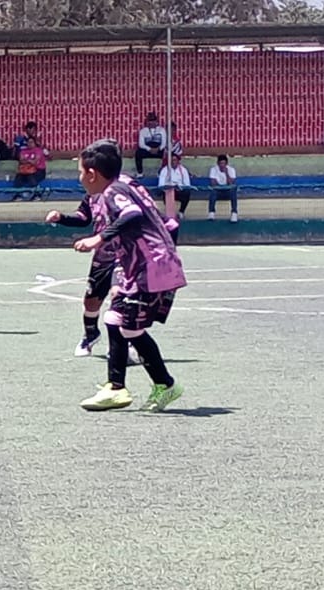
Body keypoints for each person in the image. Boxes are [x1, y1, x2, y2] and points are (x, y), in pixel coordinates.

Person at [72, 139, 186, 412]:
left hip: (151, 269)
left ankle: (166, 385)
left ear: (92, 174)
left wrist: (98, 238)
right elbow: (167, 223)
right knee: (113, 319)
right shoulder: (126, 183)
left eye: (80, 172)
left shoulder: (112, 191)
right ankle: (116, 388)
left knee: (130, 328)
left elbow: (132, 214)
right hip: (141, 267)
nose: (80, 178)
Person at [48, 171, 176, 359]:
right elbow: (83, 217)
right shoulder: (93, 191)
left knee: (118, 294)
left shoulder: (124, 188)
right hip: (103, 253)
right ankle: (91, 334)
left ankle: (123, 346)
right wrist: (62, 218)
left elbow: (142, 215)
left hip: (125, 253)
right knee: (91, 301)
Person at [208, 154, 239, 222]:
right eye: (220, 163)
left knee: (233, 190)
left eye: (224, 163)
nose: (222, 165)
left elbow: (231, 183)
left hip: (228, 191)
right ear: (217, 163)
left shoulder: (231, 170)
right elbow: (213, 183)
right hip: (217, 191)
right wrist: (220, 186)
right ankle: (211, 213)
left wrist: (226, 173)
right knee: (213, 191)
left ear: (226, 164)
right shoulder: (213, 169)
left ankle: (234, 213)